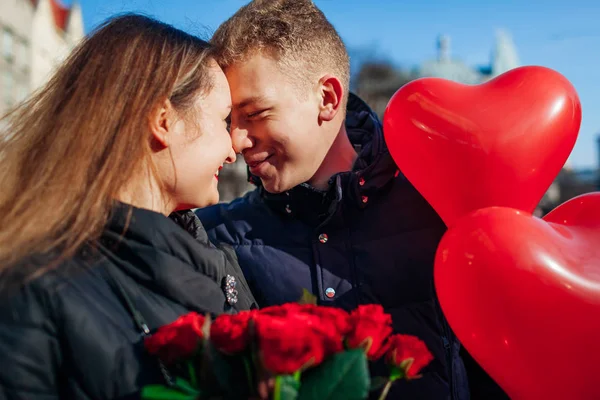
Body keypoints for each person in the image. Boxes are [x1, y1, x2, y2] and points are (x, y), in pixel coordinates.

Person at [195, 0, 485, 398]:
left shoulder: (438, 209)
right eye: (230, 121)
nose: (236, 140)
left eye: (256, 113)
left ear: (328, 98)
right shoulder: (214, 238)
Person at [0, 14, 256, 400]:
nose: (233, 147)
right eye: (224, 120)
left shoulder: (220, 266)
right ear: (163, 120)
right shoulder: (31, 290)